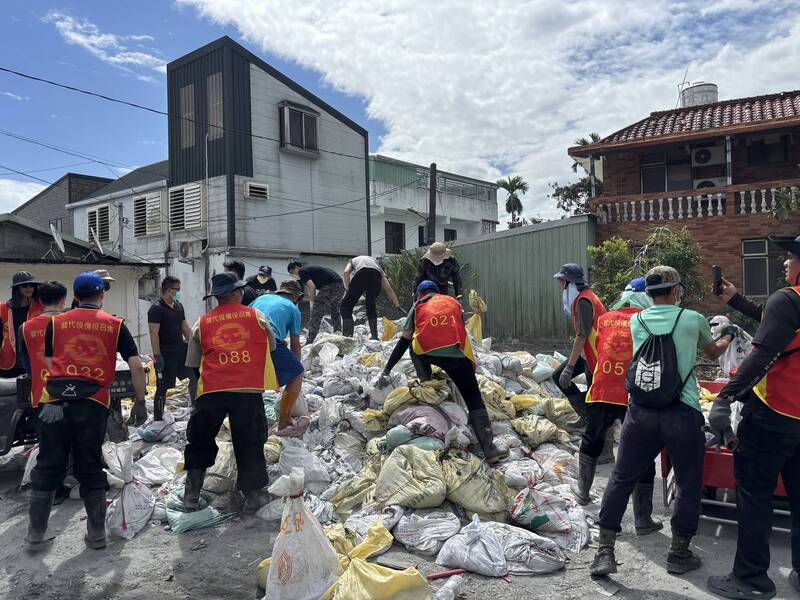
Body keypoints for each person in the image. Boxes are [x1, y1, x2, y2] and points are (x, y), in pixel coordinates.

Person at [590, 266, 734, 577]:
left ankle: (604, 551)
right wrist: (727, 335)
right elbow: (712, 354)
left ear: (650, 293)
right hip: (681, 413)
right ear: (676, 290)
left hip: (640, 413)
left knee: (620, 478)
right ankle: (679, 553)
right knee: (687, 482)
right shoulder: (692, 319)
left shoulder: (636, 320)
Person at [706, 234, 800, 600]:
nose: (785, 263)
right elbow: (782, 330)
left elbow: (763, 352)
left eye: (791, 257)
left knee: (754, 493)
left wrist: (725, 398)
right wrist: (736, 300)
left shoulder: (788, 298)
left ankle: (751, 579)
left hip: (774, 414)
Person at [25, 272, 147, 550]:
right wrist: (140, 401)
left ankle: (35, 535)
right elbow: (137, 366)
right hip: (91, 403)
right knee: (90, 466)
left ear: (75, 296)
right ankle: (96, 535)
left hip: (52, 402)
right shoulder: (115, 325)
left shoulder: (54, 324)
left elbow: (47, 357)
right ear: (102, 294)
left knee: (47, 465)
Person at [376, 280, 507, 463]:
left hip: (428, 354)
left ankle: (428, 383)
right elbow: (460, 326)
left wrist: (387, 369)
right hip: (458, 355)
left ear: (420, 294)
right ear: (437, 292)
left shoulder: (418, 305)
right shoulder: (452, 302)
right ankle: (489, 447)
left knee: (414, 346)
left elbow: (404, 341)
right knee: (473, 398)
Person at [572, 277, 661, 538]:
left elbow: (600, 348)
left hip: (601, 387)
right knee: (642, 449)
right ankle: (643, 518)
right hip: (633, 393)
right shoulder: (647, 318)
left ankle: (583, 492)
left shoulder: (606, 318)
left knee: (592, 438)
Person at [183, 272, 278, 514]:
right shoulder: (256, 316)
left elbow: (192, 363)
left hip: (212, 389)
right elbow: (272, 346)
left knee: (200, 440)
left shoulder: (201, 323)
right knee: (250, 442)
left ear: (217, 297)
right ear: (237, 293)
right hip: (247, 389)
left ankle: (191, 494)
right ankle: (253, 495)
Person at [551, 263, 606, 430]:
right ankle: (585, 414)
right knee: (558, 376)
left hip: (596, 354)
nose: (561, 287)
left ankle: (593, 426)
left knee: (590, 393)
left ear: (570, 283)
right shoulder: (585, 297)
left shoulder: (583, 301)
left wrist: (570, 366)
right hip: (589, 353)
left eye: (562, 283)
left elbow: (582, 335)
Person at [250, 280, 306, 436]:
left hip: (244, 342)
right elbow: (296, 344)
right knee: (296, 374)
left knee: (254, 383)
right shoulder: (293, 309)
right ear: (295, 296)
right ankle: (285, 420)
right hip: (267, 340)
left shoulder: (261, 298)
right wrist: (296, 368)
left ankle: (250, 422)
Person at [148, 275, 197, 420]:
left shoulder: (178, 306)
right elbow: (153, 333)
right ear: (168, 290)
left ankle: (195, 409)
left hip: (181, 350)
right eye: (177, 290)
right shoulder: (156, 309)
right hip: (165, 353)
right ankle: (158, 418)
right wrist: (157, 356)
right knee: (163, 388)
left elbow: (185, 328)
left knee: (194, 377)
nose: (179, 292)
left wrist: (194, 345)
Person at [341, 255, 402, 339]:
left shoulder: (353, 260)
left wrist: (348, 290)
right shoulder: (377, 267)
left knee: (345, 307)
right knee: (371, 305)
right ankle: (374, 337)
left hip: (361, 274)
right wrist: (397, 306)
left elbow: (346, 272)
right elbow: (389, 289)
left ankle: (348, 337)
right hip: (375, 277)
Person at [287, 261, 345, 344]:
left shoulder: (302, 271)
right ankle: (338, 334)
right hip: (340, 286)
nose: (293, 275)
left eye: (292, 272)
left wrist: (312, 301)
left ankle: (310, 341)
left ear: (296, 268)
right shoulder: (310, 269)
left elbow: (312, 286)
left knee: (316, 313)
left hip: (330, 286)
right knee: (334, 310)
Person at [0, 271, 44, 377]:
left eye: (31, 285)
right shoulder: (4, 308)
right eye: (24, 285)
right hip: (9, 360)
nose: (29, 288)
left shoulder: (42, 306)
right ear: (17, 288)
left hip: (34, 359)